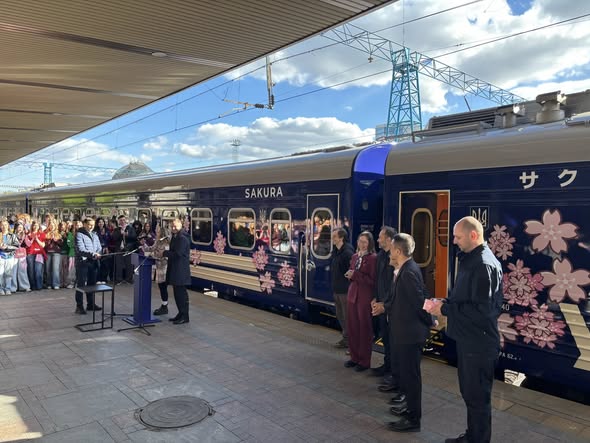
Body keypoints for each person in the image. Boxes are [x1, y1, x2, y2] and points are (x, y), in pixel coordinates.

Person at [425, 216, 503, 443]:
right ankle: (472, 436)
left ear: (473, 235)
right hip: (470, 340)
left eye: (458, 237)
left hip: (478, 343)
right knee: (470, 394)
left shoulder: (483, 265)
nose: (454, 241)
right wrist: (445, 302)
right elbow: (467, 299)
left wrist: (445, 309)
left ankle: (478, 439)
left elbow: (483, 310)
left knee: (477, 398)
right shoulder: (473, 259)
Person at [375, 233, 432, 433]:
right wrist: (384, 306)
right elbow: (401, 299)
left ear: (398, 251)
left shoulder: (408, 272)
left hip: (410, 334)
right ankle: (409, 408)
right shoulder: (404, 269)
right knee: (407, 376)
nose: (389, 253)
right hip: (403, 332)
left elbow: (419, 302)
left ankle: (413, 419)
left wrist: (430, 322)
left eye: (391, 250)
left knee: (411, 377)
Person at [344, 231, 377, 372]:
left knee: (364, 329)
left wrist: (356, 275)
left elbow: (373, 281)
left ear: (370, 243)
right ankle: (354, 357)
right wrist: (350, 275)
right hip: (352, 295)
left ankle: (364, 361)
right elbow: (353, 274)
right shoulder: (354, 257)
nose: (362, 244)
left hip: (365, 296)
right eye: (360, 241)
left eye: (365, 242)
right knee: (352, 327)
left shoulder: (373, 259)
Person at [371, 226, 397, 381]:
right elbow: (379, 280)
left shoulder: (394, 257)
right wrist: (375, 297)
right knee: (386, 338)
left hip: (390, 306)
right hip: (381, 303)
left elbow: (393, 285)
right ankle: (387, 366)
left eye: (380, 237)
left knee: (393, 340)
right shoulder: (381, 255)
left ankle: (393, 371)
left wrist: (385, 303)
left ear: (388, 239)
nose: (378, 240)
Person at [164, 218, 191, 324]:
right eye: (172, 226)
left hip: (180, 270)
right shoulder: (176, 237)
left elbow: (178, 253)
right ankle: (180, 313)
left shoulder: (182, 238)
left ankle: (184, 316)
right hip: (176, 269)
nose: (173, 228)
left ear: (181, 226)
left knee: (181, 294)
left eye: (175, 226)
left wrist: (165, 253)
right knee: (177, 294)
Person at [331, 228, 354, 349]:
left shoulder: (347, 253)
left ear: (341, 238)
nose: (332, 239)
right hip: (337, 289)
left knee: (347, 317)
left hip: (345, 290)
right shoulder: (336, 251)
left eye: (334, 236)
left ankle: (351, 343)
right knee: (341, 316)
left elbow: (351, 272)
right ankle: (346, 339)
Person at [74, 218, 102, 314]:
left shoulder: (94, 234)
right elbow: (80, 249)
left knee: (92, 284)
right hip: (82, 263)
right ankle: (79, 306)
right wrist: (93, 254)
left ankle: (91, 304)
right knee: (81, 284)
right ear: (84, 224)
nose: (91, 227)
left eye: (93, 225)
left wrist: (98, 253)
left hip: (93, 262)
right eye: (89, 224)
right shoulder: (79, 234)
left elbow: (99, 247)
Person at [143, 224, 170, 316]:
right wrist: (143, 244)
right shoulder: (157, 242)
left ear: (162, 233)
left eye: (157, 231)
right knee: (161, 287)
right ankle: (164, 304)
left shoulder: (167, 243)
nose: (156, 233)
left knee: (163, 287)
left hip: (164, 268)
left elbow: (165, 256)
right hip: (159, 268)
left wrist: (153, 255)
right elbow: (151, 249)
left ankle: (164, 306)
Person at [0, 220, 20, 295]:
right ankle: (1, 289)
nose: (4, 226)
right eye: (2, 225)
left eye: (5, 225)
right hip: (0, 256)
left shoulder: (12, 235)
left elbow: (17, 246)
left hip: (9, 256)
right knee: (0, 274)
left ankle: (7, 288)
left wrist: (7, 247)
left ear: (8, 226)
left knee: (8, 274)